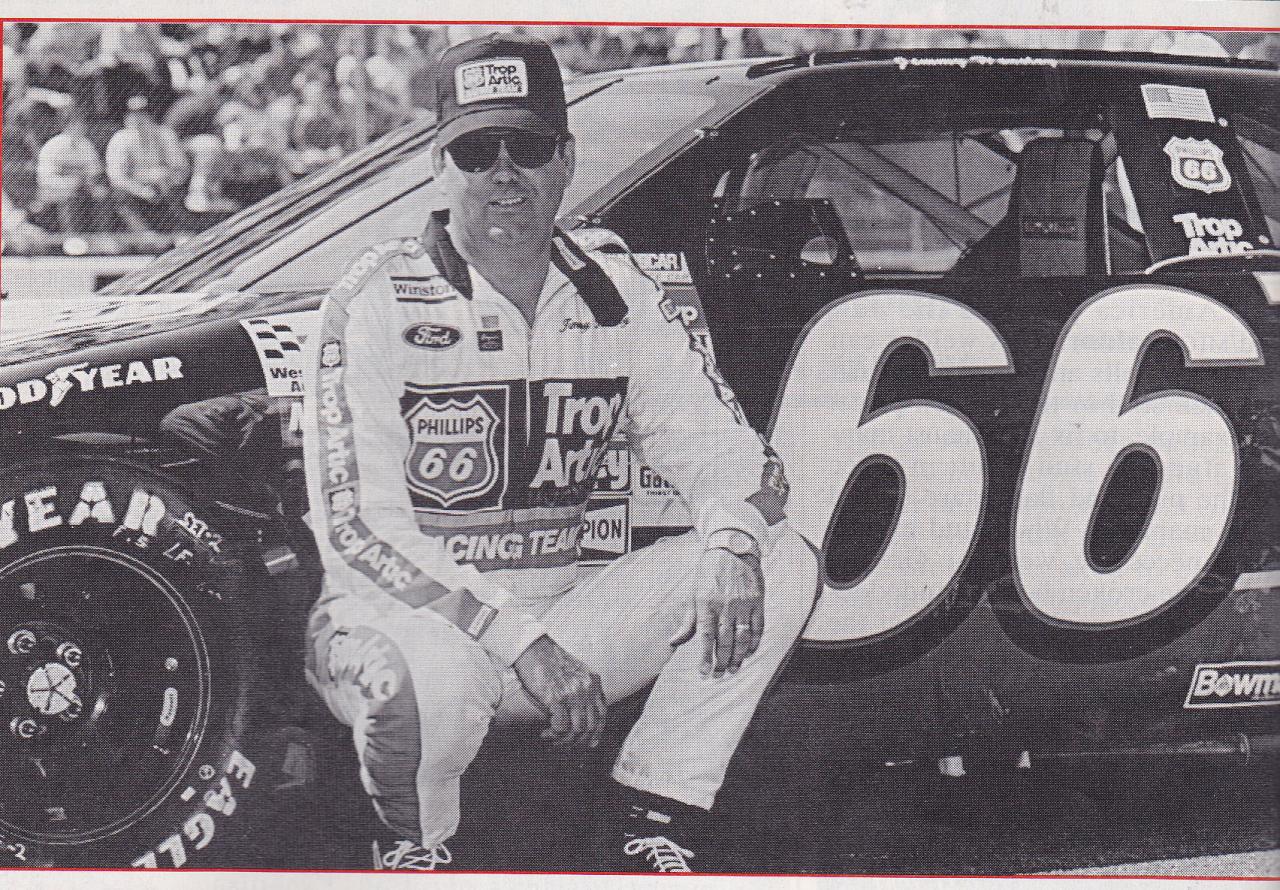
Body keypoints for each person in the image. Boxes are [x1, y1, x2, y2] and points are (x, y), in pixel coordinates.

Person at [301, 33, 819, 874]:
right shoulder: (376, 298)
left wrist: (730, 543)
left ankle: (653, 812)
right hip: (398, 628)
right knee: (430, 680)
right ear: (438, 167)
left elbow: (727, 454)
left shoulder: (616, 291)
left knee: (778, 558)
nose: (504, 173)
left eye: (528, 147)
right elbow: (358, 530)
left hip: (557, 623)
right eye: (476, 151)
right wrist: (519, 641)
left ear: (566, 159)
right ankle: (412, 845)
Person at [105, 95, 190, 232]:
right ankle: (145, 236)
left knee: (177, 198)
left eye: (143, 114)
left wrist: (167, 181)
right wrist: (142, 190)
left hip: (164, 189)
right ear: (126, 118)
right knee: (120, 196)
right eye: (132, 115)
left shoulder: (165, 134)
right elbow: (116, 178)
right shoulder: (120, 138)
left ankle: (178, 233)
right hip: (133, 191)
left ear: (151, 116)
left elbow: (181, 169)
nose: (137, 120)